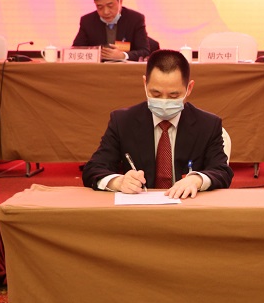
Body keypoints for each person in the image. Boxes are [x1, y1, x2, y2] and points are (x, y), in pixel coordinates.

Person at [82, 49, 233, 198]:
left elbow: (222, 172)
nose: (164, 102)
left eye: (173, 95)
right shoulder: (122, 121)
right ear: (145, 84)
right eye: (156, 94)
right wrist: (119, 182)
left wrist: (196, 180)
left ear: (189, 88)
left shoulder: (208, 125)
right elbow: (94, 168)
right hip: (139, 208)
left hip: (187, 207)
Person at [72, 0, 150, 62]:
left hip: (126, 68)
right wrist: (95, 54)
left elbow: (144, 51)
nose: (106, 12)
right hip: (98, 68)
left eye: (110, 6)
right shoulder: (87, 21)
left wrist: (123, 55)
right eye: (100, 7)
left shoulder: (135, 19)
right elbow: (75, 51)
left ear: (120, 2)